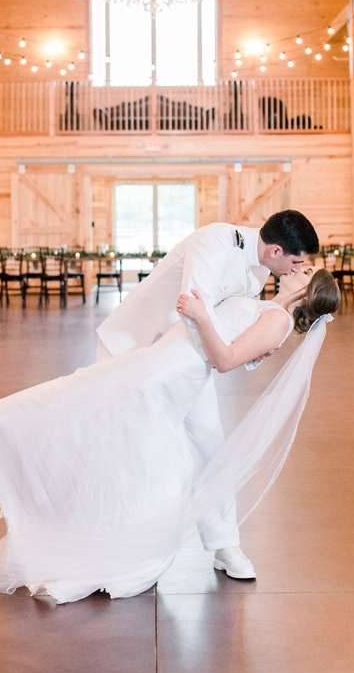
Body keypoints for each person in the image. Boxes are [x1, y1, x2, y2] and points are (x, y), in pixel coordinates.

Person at [0, 268, 341, 604]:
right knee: (80, 398)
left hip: (169, 373)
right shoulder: (267, 305)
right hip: (159, 359)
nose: (298, 267)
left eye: (306, 271)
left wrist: (202, 316)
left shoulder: (277, 320)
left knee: (88, 410)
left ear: (309, 291)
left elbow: (225, 360)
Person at [93, 209, 319, 578]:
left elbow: (233, 321)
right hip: (135, 347)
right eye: (296, 263)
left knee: (210, 447)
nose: (298, 270)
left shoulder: (261, 269)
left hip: (188, 360)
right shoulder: (216, 242)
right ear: (276, 251)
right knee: (129, 447)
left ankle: (224, 546)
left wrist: (249, 350)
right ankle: (118, 541)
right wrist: (226, 357)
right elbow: (192, 310)